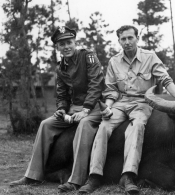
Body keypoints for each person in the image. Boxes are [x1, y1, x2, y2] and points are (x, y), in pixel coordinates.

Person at [78, 25, 175, 194]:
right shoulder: (114, 61)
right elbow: (111, 89)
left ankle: (128, 176)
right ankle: (94, 177)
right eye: (123, 39)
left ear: (137, 38)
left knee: (137, 126)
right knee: (104, 127)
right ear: (119, 41)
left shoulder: (150, 57)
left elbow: (165, 80)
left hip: (142, 102)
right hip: (120, 102)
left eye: (130, 38)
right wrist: (109, 107)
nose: (127, 42)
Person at [9, 26, 104, 193]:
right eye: (62, 44)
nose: (66, 46)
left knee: (83, 126)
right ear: (57, 47)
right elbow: (61, 95)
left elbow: (96, 84)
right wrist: (61, 109)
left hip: (94, 106)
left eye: (69, 42)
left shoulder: (87, 56)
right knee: (46, 124)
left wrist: (86, 110)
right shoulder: (61, 68)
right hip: (73, 110)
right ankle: (32, 175)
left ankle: (76, 180)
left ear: (75, 42)